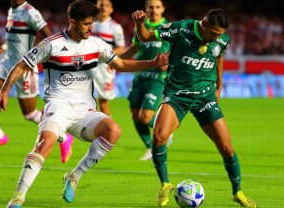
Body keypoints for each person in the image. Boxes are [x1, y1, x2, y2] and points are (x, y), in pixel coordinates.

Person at [0, 1, 168, 207]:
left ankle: (74, 176)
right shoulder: (52, 44)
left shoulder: (96, 44)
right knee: (45, 143)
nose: (90, 28)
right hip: (57, 107)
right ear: (72, 22)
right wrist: (4, 90)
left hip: (84, 111)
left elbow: (120, 64)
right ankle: (18, 197)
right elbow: (21, 65)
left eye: (92, 23)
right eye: (86, 24)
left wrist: (152, 63)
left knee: (113, 130)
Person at [132, 8, 257, 208]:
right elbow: (145, 36)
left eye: (221, 34)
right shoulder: (181, 29)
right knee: (159, 137)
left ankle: (238, 192)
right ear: (204, 23)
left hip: (205, 96)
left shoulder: (221, 39)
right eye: (215, 33)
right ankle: (165, 184)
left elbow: (219, 55)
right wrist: (140, 23)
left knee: (226, 147)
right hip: (177, 95)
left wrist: (219, 85)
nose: (218, 38)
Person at [0, 0, 73, 163]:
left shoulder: (30, 12)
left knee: (30, 114)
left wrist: (59, 59)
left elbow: (49, 36)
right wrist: (2, 48)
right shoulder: (13, 9)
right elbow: (16, 38)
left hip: (24, 67)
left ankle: (64, 137)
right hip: (6, 63)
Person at [120, 0, 172, 161]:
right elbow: (134, 48)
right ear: (146, 9)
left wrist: (170, 65)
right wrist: (113, 60)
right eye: (151, 7)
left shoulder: (169, 29)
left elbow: (176, 51)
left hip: (158, 78)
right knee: (135, 115)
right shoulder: (141, 26)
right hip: (140, 76)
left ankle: (166, 131)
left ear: (163, 9)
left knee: (145, 117)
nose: (154, 10)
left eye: (157, 7)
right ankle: (151, 147)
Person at [91, 0, 126, 116]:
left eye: (106, 6)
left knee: (103, 102)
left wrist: (105, 55)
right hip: (88, 64)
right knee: (84, 99)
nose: (103, 8)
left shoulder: (115, 27)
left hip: (105, 67)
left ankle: (108, 131)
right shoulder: (90, 23)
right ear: (96, 7)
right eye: (101, 5)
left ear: (111, 9)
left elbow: (121, 48)